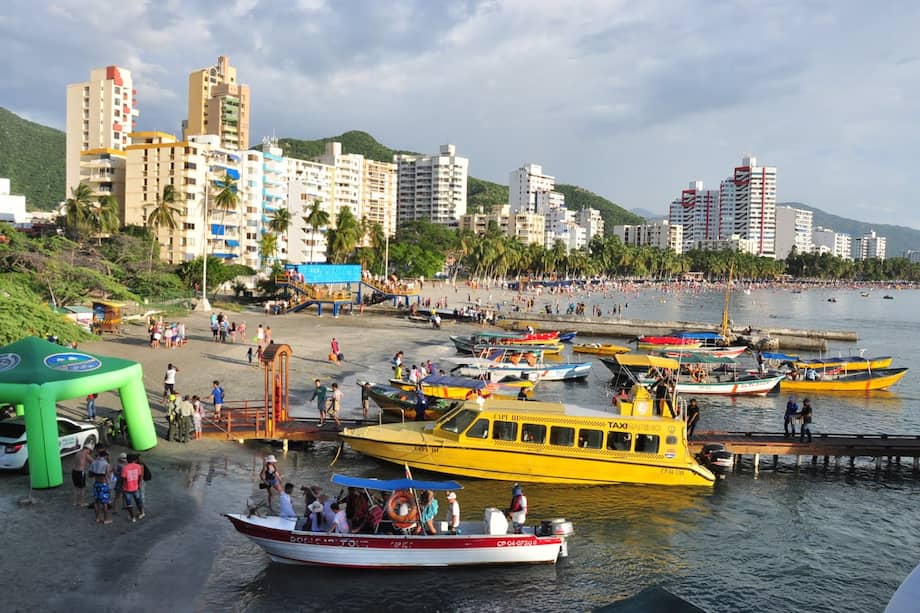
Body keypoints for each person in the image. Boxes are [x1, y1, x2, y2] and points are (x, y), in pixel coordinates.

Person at [88, 449, 112, 524]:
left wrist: (97, 474)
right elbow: (108, 476)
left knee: (96, 502)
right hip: (103, 484)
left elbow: (90, 474)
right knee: (105, 502)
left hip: (96, 483)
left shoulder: (94, 462)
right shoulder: (106, 464)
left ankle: (97, 518)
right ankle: (106, 519)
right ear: (105, 456)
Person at [121, 453, 145, 522]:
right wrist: (137, 483)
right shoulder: (138, 466)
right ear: (134, 460)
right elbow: (140, 476)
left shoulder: (125, 468)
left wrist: (123, 485)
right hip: (135, 487)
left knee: (129, 504)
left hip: (127, 488)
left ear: (127, 460)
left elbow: (123, 477)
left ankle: (132, 517)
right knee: (138, 501)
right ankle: (141, 513)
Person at [72, 442, 94, 507]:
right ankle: (82, 502)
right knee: (82, 488)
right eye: (90, 450)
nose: (90, 452)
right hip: (80, 472)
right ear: (88, 449)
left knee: (76, 487)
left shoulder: (77, 453)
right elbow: (93, 462)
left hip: (74, 471)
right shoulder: (85, 454)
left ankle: (75, 502)